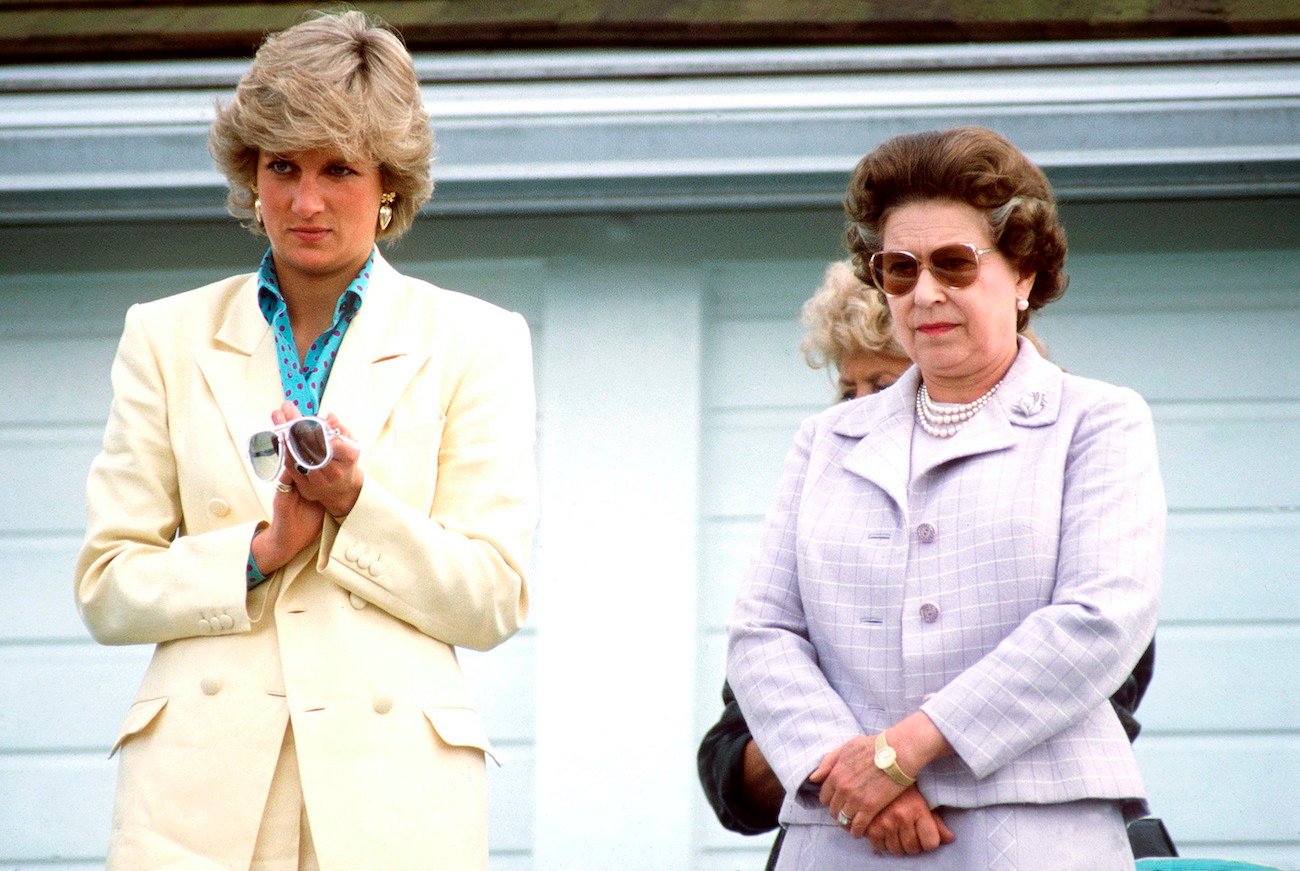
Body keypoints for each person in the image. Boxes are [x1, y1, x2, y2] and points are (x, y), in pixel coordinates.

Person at [74, 11, 536, 870]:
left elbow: (493, 597)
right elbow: (107, 584)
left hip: (392, 804)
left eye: (339, 170)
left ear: (391, 182)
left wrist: (355, 506)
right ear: (250, 173)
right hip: (195, 806)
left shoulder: (478, 339)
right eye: (282, 166)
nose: (306, 200)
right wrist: (256, 550)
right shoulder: (163, 335)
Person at [726, 126, 1164, 869]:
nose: (925, 292)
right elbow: (761, 632)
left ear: (1023, 271)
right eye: (898, 269)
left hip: (1036, 834)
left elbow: (1098, 622)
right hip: (840, 837)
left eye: (955, 263)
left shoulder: (1098, 420)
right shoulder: (824, 439)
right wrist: (852, 775)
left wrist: (902, 752)